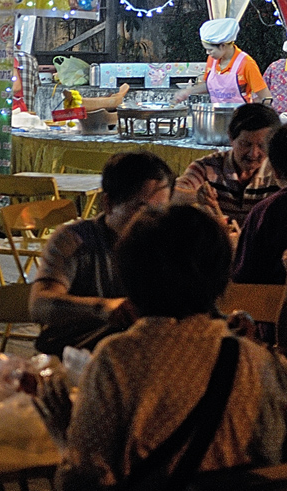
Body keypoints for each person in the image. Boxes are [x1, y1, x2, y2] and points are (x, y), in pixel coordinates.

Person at [38, 205, 287, 491]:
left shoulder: (118, 359)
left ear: (130, 278)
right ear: (222, 276)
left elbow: (83, 481)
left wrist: (64, 436)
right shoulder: (262, 363)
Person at [30, 151, 174, 356]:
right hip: (75, 357)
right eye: (140, 209)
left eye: (160, 210)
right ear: (108, 204)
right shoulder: (74, 240)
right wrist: (104, 308)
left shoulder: (164, 241)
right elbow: (39, 305)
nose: (151, 220)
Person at [172, 103, 281, 226]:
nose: (253, 153)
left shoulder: (278, 171)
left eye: (262, 146)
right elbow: (173, 194)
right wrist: (197, 196)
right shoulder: (207, 167)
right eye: (245, 144)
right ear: (231, 138)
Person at [232, 124, 287, 284]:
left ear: (275, 171)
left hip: (268, 298)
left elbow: (245, 278)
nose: (253, 153)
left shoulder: (266, 212)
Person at [173, 18, 272, 105]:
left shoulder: (246, 63)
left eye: (210, 50)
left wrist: (252, 110)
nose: (207, 53)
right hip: (217, 115)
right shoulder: (213, 59)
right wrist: (188, 92)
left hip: (240, 117)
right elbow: (210, 87)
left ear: (223, 45)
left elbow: (266, 98)